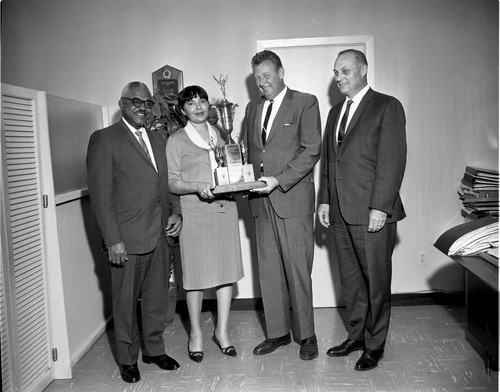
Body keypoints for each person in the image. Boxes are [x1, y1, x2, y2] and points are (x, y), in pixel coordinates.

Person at [86, 81, 182, 383]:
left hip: (160, 234)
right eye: (135, 101)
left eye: (147, 103)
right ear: (122, 104)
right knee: (125, 301)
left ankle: (154, 349)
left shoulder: (158, 138)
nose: (142, 107)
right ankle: (127, 358)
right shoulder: (104, 139)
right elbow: (101, 196)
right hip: (126, 239)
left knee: (156, 298)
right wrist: (113, 239)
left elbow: (166, 183)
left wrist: (177, 213)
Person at [318, 49, 407, 371]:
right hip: (340, 211)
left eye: (345, 71)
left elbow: (393, 161)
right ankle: (356, 335)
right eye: (335, 72)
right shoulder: (334, 113)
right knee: (352, 282)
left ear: (364, 69)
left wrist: (379, 207)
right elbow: (331, 162)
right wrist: (325, 200)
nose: (339, 78)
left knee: (376, 282)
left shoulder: (387, 106)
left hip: (372, 212)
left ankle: (375, 344)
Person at [240, 50, 322, 360]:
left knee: (298, 270)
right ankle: (277, 333)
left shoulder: (305, 102)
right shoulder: (252, 108)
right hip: (261, 203)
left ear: (281, 72)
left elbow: (311, 150)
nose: (263, 82)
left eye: (267, 75)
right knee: (269, 271)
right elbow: (249, 152)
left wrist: (279, 179)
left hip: (292, 199)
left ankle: (307, 335)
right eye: (258, 78)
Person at [166, 85, 244, 363]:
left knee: (225, 274)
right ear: (182, 109)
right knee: (196, 278)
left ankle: (222, 332)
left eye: (202, 101)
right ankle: (196, 334)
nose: (198, 107)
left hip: (225, 210)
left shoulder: (221, 135)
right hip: (196, 213)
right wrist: (197, 186)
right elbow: (172, 181)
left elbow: (230, 170)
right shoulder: (176, 140)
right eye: (191, 103)